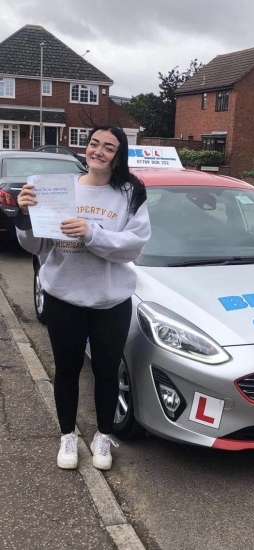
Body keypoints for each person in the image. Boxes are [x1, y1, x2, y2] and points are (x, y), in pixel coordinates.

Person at [15, 126, 151, 470]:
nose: (98, 151)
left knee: (106, 372)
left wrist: (91, 232)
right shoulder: (58, 190)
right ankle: (67, 436)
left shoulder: (128, 194)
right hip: (64, 298)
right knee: (67, 370)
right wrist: (24, 216)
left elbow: (132, 247)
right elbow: (37, 246)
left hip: (111, 302)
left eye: (109, 147)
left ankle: (102, 435)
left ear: (118, 156)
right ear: (85, 149)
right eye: (94, 144)